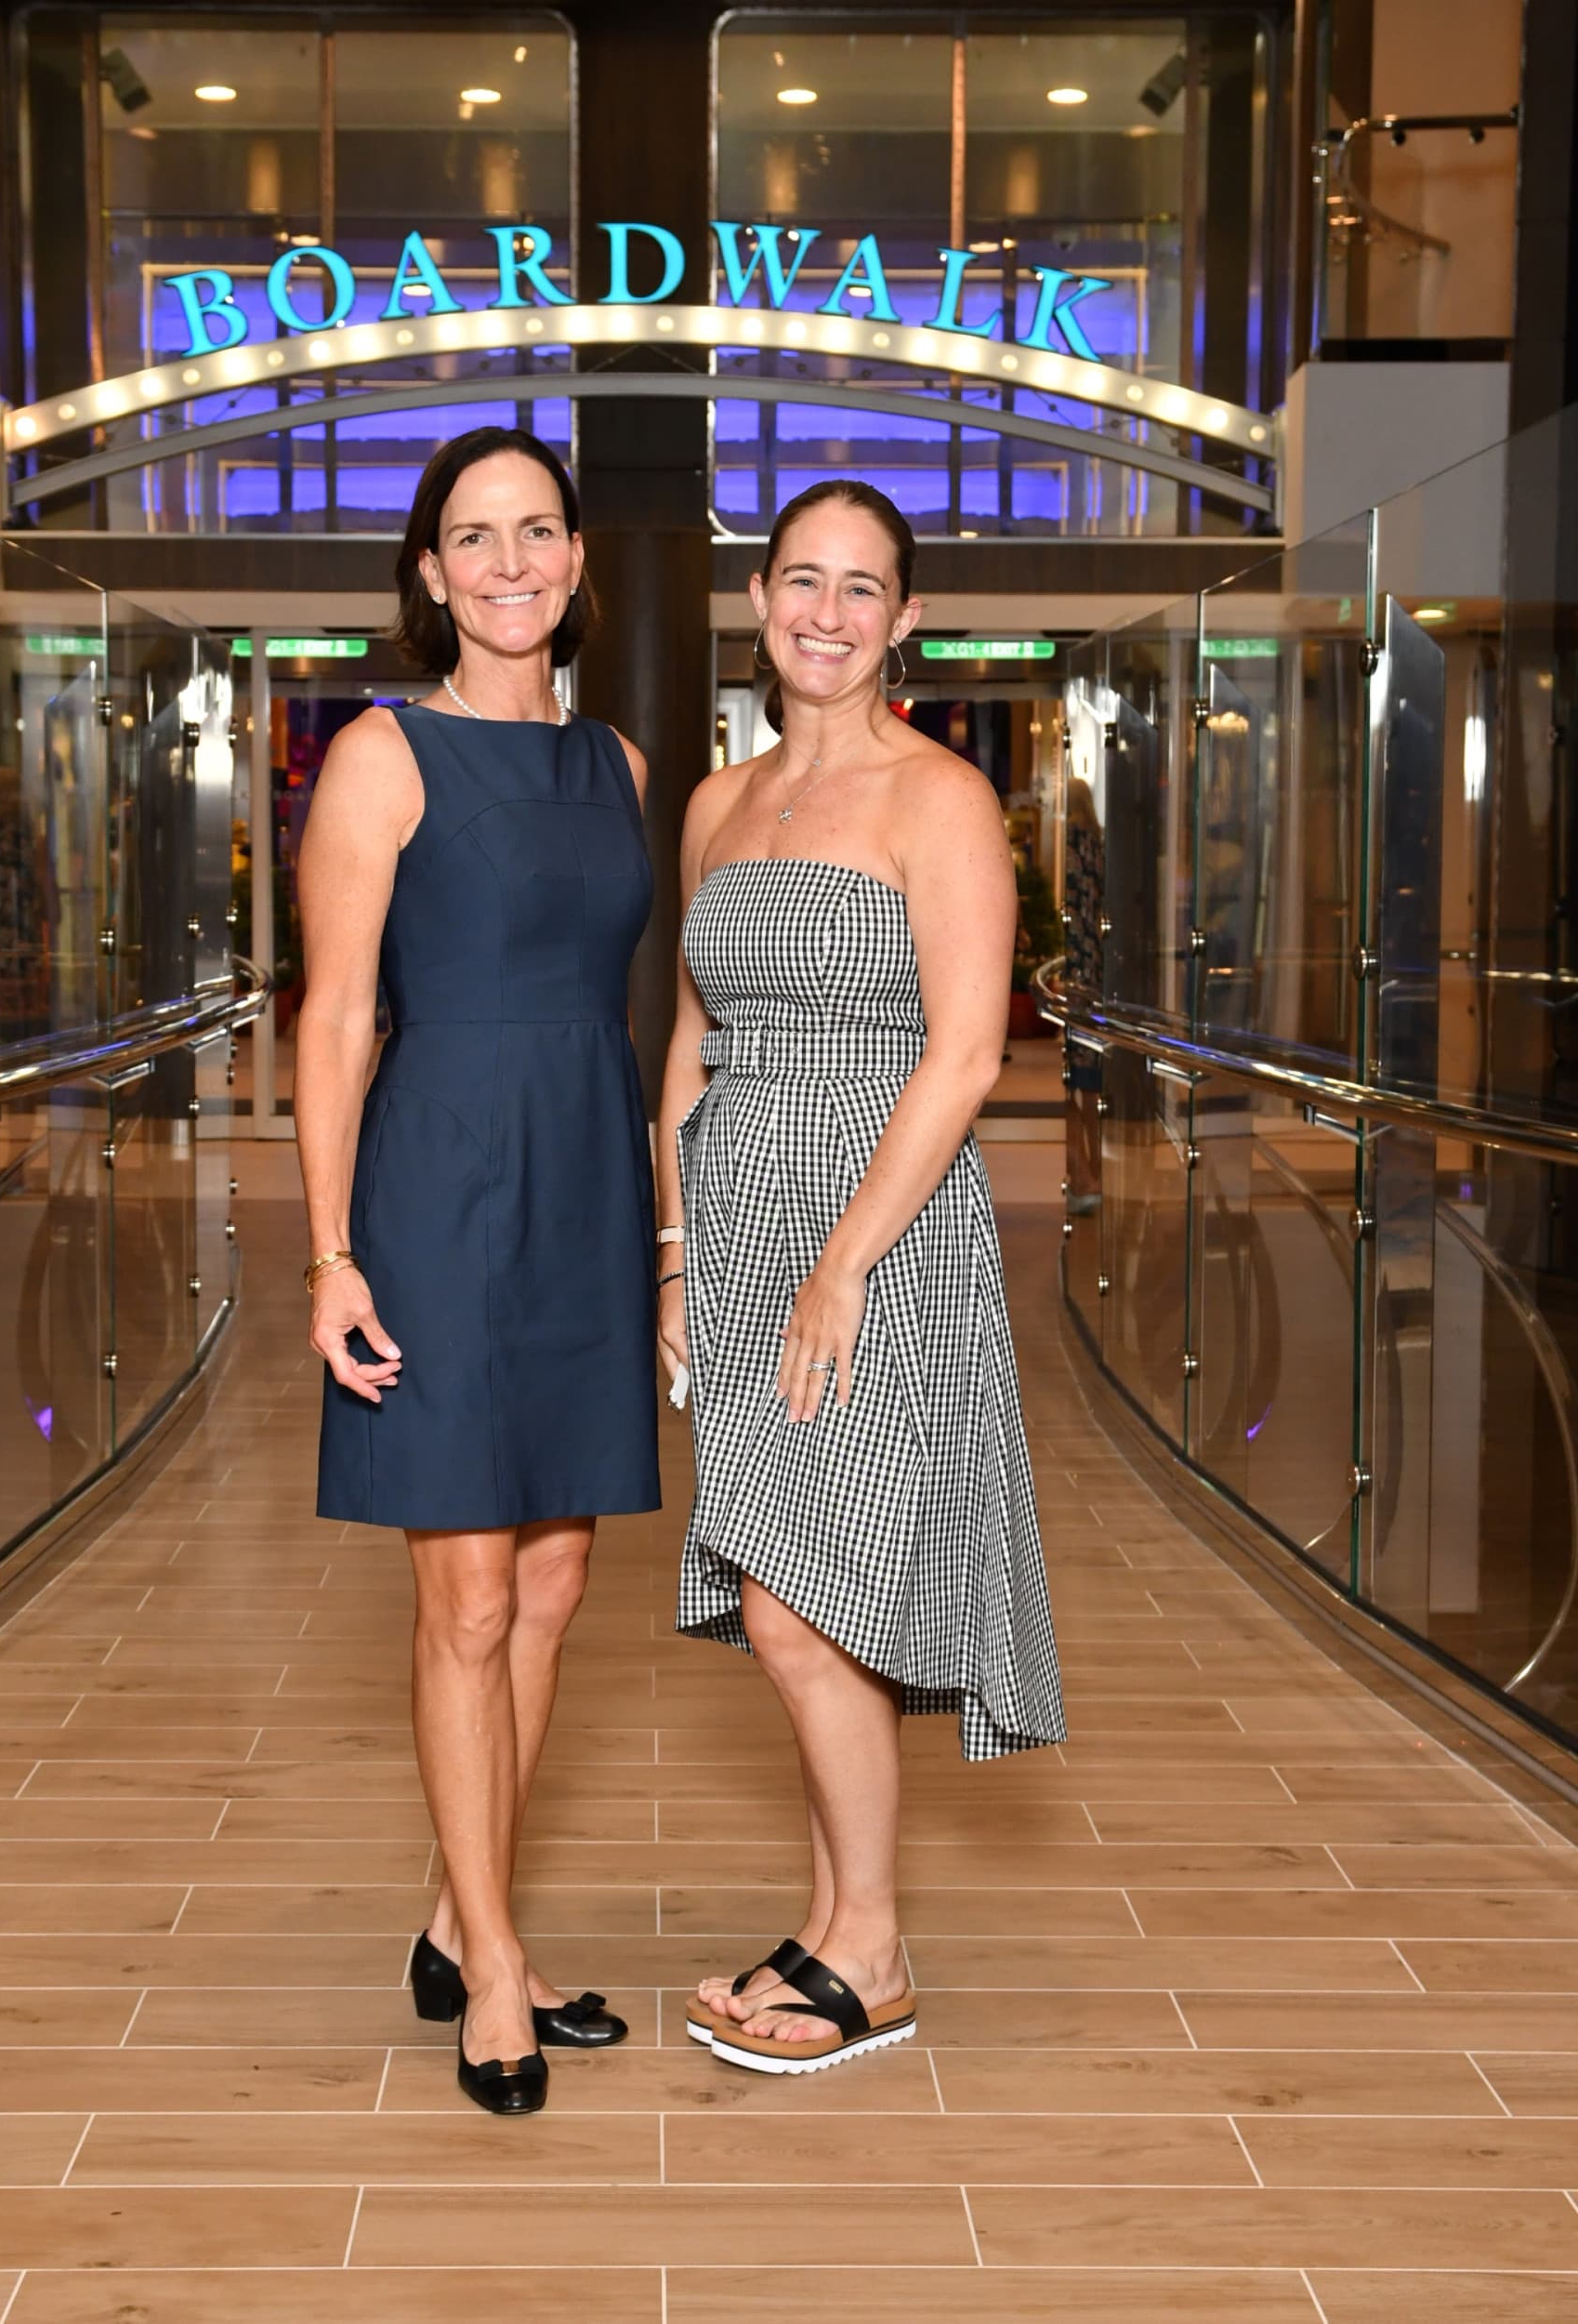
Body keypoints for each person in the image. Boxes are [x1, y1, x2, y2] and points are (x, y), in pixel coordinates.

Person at [656, 479, 1066, 2077]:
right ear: (760, 601)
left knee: (797, 1594)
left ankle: (875, 1951)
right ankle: (831, 1920)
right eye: (802, 580)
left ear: (905, 621)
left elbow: (965, 1058)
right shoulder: (717, 803)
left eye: (863, 588)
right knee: (806, 1583)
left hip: (879, 1234)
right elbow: (689, 1042)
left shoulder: (940, 799)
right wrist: (682, 1247)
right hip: (740, 1227)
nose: (827, 612)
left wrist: (836, 1270)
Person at [295, 426, 658, 2116]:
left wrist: (658, 1234)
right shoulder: (382, 755)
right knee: (470, 1594)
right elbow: (339, 1016)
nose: (510, 563)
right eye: (473, 538)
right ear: (430, 575)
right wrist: (330, 1253)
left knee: (563, 1583)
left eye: (538, 532)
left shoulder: (624, 770)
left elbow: (647, 1017)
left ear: (577, 564)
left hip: (579, 1181)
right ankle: (495, 1973)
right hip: (439, 1190)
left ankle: (463, 1911)